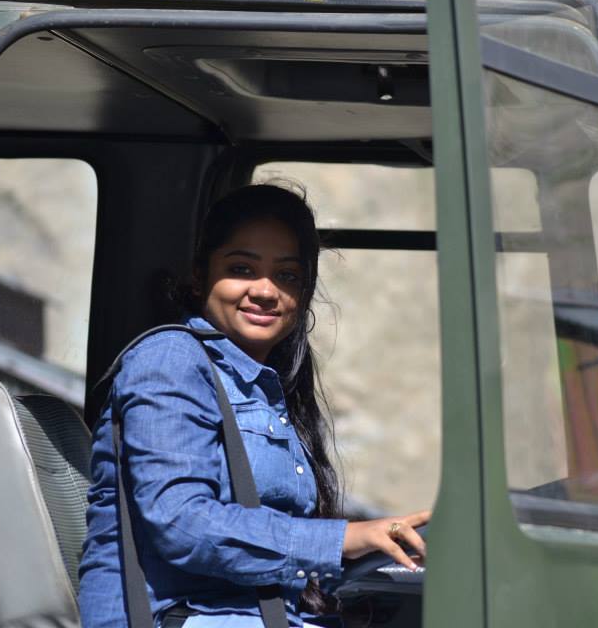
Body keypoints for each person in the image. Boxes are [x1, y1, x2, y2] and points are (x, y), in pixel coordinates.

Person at [78, 183, 430, 628]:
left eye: (287, 276)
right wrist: (342, 540)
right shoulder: (169, 360)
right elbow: (181, 522)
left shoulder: (266, 385)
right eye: (242, 268)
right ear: (201, 274)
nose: (266, 291)